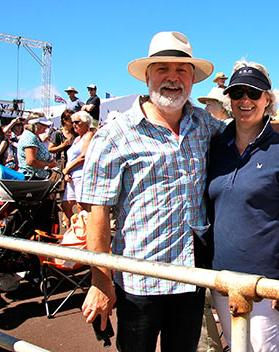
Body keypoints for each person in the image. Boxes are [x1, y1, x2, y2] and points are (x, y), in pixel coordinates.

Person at [80, 31, 225, 352]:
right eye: (162, 69)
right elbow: (97, 213)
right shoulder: (115, 135)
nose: (172, 78)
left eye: (181, 70)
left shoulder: (205, 124)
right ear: (147, 76)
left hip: (190, 275)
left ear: (192, 79)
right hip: (139, 278)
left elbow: (249, 132)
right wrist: (101, 281)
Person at [207, 60, 279, 351]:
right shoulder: (214, 145)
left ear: (267, 100)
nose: (245, 100)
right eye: (238, 93)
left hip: (266, 283)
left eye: (254, 93)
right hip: (222, 280)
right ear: (229, 100)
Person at [60, 111, 96, 224]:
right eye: (72, 122)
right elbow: (70, 158)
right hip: (71, 176)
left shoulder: (89, 135)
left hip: (82, 175)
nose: (74, 124)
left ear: (86, 122)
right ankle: (74, 231)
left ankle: (85, 234)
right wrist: (66, 173)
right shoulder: (76, 139)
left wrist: (67, 169)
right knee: (66, 205)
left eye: (77, 122)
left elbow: (83, 156)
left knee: (82, 207)